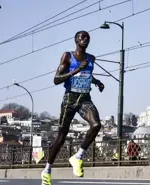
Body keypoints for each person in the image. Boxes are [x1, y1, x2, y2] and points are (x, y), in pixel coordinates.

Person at [41, 30, 105, 185]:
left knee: (96, 125)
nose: (85, 39)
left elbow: (87, 75)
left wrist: (96, 82)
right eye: (82, 37)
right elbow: (56, 80)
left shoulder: (91, 59)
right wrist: (75, 70)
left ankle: (78, 157)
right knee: (61, 138)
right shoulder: (68, 56)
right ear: (76, 40)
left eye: (87, 38)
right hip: (69, 99)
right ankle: (47, 170)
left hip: (84, 99)